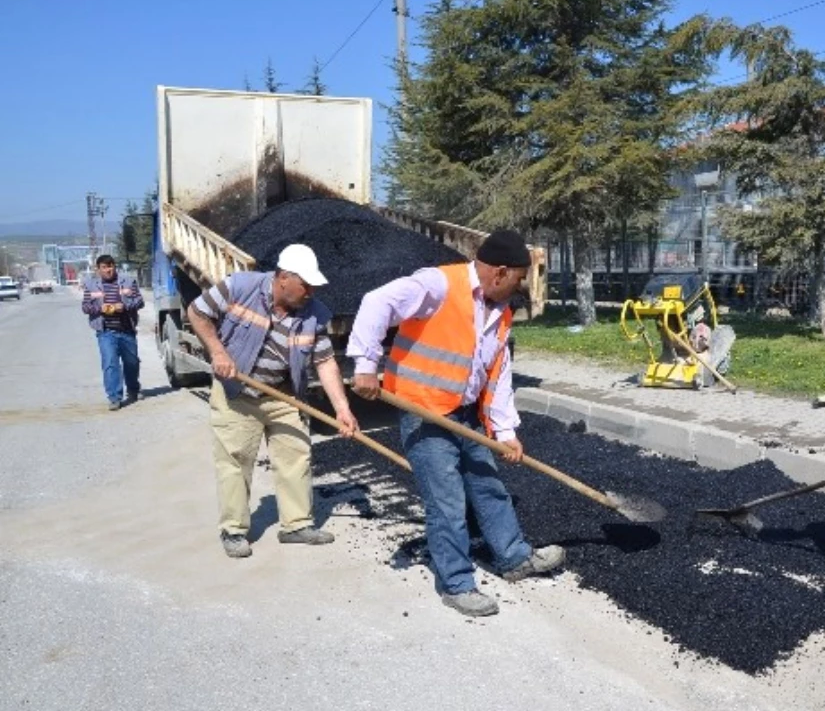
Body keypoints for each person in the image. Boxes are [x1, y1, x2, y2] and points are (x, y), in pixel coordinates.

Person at [348, 229, 565, 618]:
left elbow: (498, 373)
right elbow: (375, 302)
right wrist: (365, 365)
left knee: (488, 485)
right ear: (499, 273)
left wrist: (505, 431)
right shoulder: (438, 284)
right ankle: (457, 583)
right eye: (518, 279)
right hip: (423, 414)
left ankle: (514, 557)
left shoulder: (501, 312)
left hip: (465, 414)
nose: (519, 289)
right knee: (447, 501)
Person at [186, 244, 360, 559]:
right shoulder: (241, 286)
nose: (310, 291)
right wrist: (218, 352)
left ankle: (296, 525)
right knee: (235, 462)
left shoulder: (314, 313)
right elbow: (197, 312)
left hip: (285, 394)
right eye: (305, 284)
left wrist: (342, 409)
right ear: (282, 278)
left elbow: (325, 363)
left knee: (296, 456)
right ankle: (234, 530)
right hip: (237, 393)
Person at [81, 255, 144, 411]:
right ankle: (114, 397)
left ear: (115, 267)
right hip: (106, 332)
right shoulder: (91, 285)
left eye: (111, 266)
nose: (108, 270)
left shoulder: (128, 282)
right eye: (104, 267)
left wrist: (125, 305)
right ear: (98, 269)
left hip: (127, 330)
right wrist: (99, 309)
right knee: (110, 363)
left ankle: (133, 388)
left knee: (132, 363)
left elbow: (140, 301)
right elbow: (85, 307)